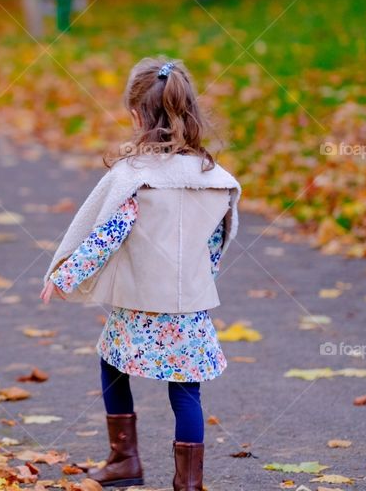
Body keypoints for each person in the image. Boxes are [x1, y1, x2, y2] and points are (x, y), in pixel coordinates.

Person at [39, 57, 241, 490]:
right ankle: (188, 484)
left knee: (113, 365)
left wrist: (65, 274)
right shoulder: (215, 179)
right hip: (189, 307)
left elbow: (106, 233)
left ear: (135, 115)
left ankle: (124, 460)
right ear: (189, 111)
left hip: (140, 305)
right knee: (186, 392)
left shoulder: (135, 177)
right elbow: (215, 243)